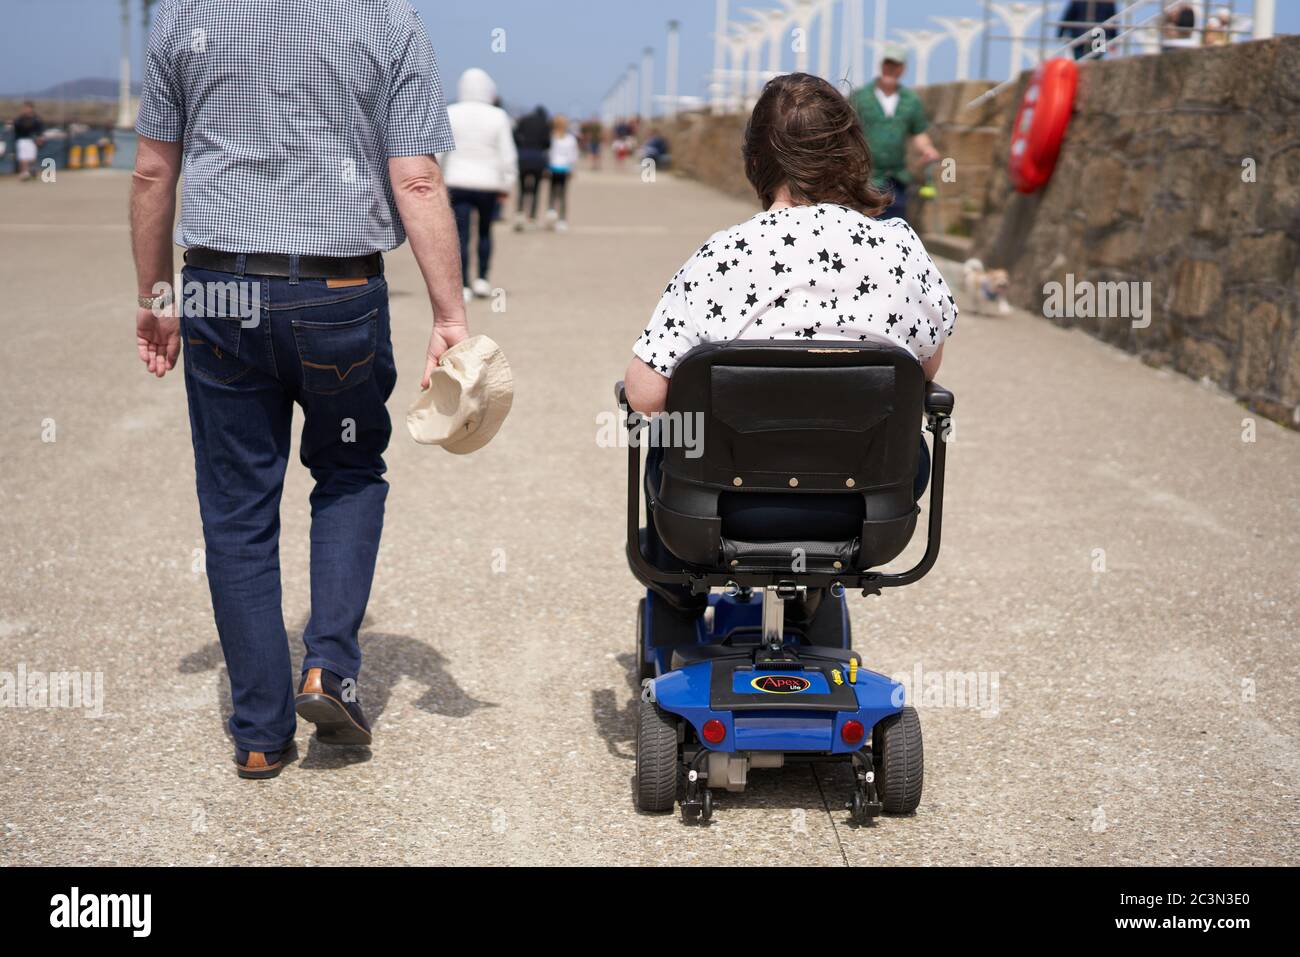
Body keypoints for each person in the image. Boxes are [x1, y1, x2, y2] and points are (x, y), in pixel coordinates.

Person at [130, 0, 466, 779]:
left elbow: (152, 170)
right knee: (348, 473)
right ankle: (329, 667)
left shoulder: (184, 15)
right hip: (336, 294)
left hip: (219, 289)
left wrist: (153, 294)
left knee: (237, 506)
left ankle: (258, 731)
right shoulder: (389, 20)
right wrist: (449, 314)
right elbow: (415, 179)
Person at [623, 73, 957, 620]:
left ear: (756, 159)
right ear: (852, 152)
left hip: (723, 510)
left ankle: (678, 593)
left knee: (670, 436)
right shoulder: (899, 248)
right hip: (865, 510)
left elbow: (644, 395)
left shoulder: (722, 255)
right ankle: (813, 593)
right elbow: (926, 363)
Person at [442, 67, 517, 301]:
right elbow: (507, 154)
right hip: (488, 183)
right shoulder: (498, 115)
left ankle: (463, 285)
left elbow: (439, 152)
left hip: (456, 181)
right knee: (485, 231)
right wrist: (507, 183)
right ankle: (483, 279)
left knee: (461, 235)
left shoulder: (450, 112)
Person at [848, 44, 940, 223]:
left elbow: (918, 132)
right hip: (866, 178)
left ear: (903, 69)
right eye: (888, 64)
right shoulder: (860, 97)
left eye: (896, 65)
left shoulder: (911, 100)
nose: (890, 69)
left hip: (897, 179)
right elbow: (846, 132)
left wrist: (928, 149)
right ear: (881, 65)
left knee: (895, 227)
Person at [513, 105, 551, 230]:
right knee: (535, 190)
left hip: (523, 157)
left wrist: (522, 146)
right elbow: (548, 143)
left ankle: (519, 215)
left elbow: (515, 135)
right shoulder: (545, 124)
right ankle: (532, 218)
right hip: (537, 159)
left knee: (522, 189)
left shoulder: (524, 120)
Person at [546, 115, 579, 231]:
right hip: (564, 169)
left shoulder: (552, 137)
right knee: (563, 195)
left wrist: (547, 167)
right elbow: (573, 155)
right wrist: (572, 168)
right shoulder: (570, 139)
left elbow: (549, 153)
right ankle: (562, 220)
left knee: (552, 194)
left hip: (553, 167)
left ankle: (551, 216)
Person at [13, 101, 45, 181]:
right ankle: (25, 173)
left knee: (31, 158)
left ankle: (32, 170)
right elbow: (17, 127)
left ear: (31, 108)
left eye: (27, 108)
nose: (26, 109)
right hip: (22, 140)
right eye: (24, 108)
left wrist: (40, 138)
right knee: (23, 157)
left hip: (32, 141)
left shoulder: (36, 119)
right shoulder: (20, 119)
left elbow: (39, 129)